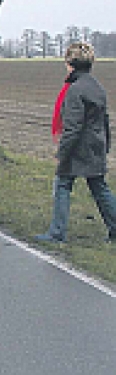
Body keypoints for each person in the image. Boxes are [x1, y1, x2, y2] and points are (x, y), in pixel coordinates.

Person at [35, 42, 116, 243]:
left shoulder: (75, 90)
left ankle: (57, 232)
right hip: (96, 145)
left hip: (78, 148)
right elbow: (104, 120)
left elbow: (73, 127)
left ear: (70, 63)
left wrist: (62, 154)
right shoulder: (97, 87)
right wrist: (106, 145)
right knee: (99, 187)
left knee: (62, 184)